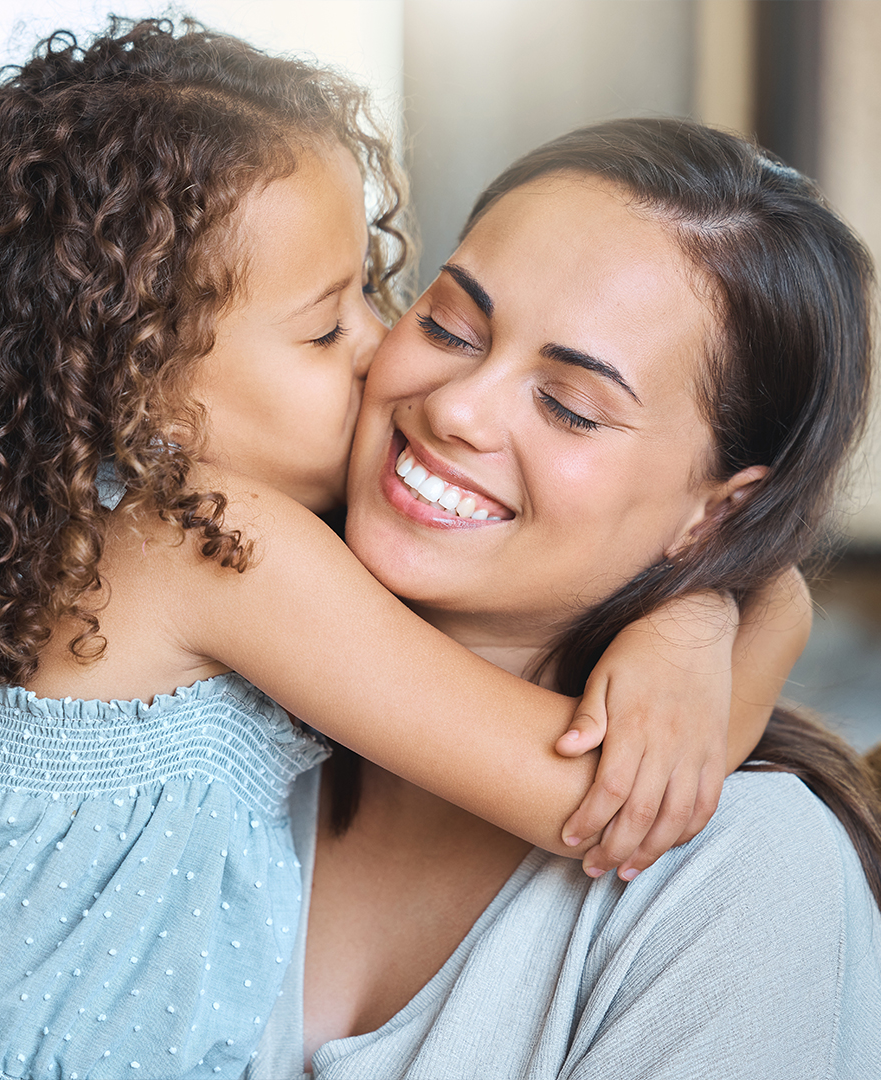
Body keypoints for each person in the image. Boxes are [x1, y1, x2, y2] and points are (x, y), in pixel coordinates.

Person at [0, 19, 804, 1080]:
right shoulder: (211, 543)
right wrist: (744, 604)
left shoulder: (113, 542)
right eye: (326, 328)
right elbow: (599, 803)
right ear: (143, 388)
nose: (381, 348)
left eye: (372, 290)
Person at [246, 119, 881, 1079]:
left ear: (717, 511)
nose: (455, 407)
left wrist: (716, 604)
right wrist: (713, 604)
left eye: (569, 406)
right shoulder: (192, 688)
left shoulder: (746, 877)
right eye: (449, 327)